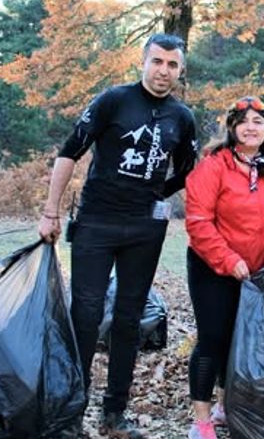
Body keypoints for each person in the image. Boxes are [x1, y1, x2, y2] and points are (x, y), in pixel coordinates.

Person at [38, 33, 198, 438]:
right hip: (96, 222)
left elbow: (187, 169)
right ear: (143, 62)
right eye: (157, 62)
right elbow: (68, 152)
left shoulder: (182, 118)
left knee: (129, 319)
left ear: (180, 70)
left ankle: (114, 413)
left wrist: (156, 193)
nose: (164, 71)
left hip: (145, 229)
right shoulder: (113, 100)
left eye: (172, 65)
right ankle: (72, 411)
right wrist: (49, 211)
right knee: (86, 315)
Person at [184, 96, 264, 439]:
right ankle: (201, 421)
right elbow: (198, 221)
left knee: (239, 340)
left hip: (256, 271)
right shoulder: (213, 165)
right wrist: (229, 260)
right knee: (213, 339)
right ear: (232, 128)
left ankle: (223, 407)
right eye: (243, 121)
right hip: (212, 267)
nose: (251, 127)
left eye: (258, 122)